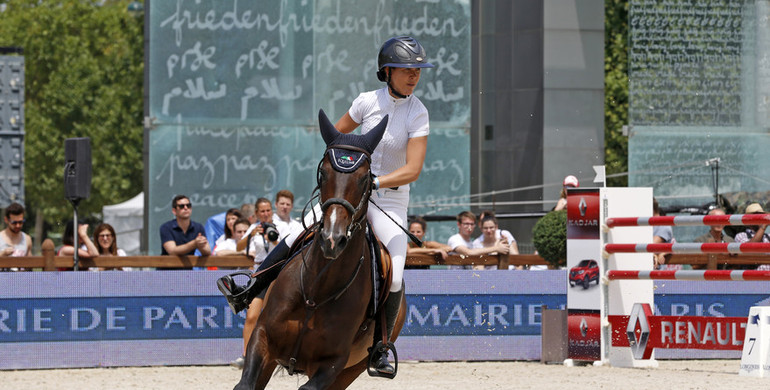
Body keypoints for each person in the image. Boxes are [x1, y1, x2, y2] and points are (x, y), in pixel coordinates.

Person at [217, 36, 435, 376]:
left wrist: (374, 182)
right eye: (408, 70)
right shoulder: (366, 102)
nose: (414, 76)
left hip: (388, 201)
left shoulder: (417, 112)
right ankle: (250, 288)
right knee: (295, 235)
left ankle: (380, 347)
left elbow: (413, 169)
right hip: (349, 197)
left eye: (418, 71)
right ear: (388, 71)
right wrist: (341, 177)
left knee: (396, 272)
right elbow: (338, 138)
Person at [230, 197, 280, 369]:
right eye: (262, 211)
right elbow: (238, 247)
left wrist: (274, 240)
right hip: (259, 273)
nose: (265, 214)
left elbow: (289, 247)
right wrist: (251, 235)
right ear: (257, 213)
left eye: (268, 210)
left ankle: (275, 354)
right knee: (251, 316)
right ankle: (246, 355)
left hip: (277, 273)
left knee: (274, 317)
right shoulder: (253, 227)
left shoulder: (283, 225)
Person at [734, 203, 770, 270]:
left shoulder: (768, 236)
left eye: (761, 216)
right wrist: (763, 227)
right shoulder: (741, 236)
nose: (760, 218)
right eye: (756, 215)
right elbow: (749, 249)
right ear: (748, 220)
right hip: (753, 278)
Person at [0, 202, 32, 271]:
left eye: (20, 222)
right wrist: (3, 253)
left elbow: (30, 265)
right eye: (14, 222)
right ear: (6, 220)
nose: (18, 225)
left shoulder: (27, 239)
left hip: (21, 280)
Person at [651, 198, 677, 270]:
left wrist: (654, 254)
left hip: (658, 274)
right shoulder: (648, 225)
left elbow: (649, 246)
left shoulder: (663, 226)